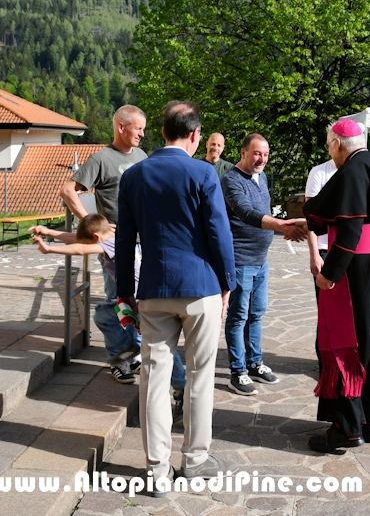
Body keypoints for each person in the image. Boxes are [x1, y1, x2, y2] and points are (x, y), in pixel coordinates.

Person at [115, 101, 238, 495]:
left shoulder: (134, 175)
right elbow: (218, 232)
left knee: (153, 378)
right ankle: (195, 460)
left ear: (163, 131)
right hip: (201, 287)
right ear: (196, 134)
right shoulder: (203, 172)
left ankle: (156, 472)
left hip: (153, 289)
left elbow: (123, 239)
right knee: (201, 375)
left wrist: (124, 292)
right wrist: (228, 282)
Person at [302, 119, 370, 452]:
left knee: (349, 342)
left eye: (328, 146)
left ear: (337, 144)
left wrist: (330, 273)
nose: (330, 153)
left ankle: (346, 428)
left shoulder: (350, 171)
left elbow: (350, 229)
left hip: (356, 267)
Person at [29, 215, 188, 425]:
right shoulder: (113, 235)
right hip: (138, 298)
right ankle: (173, 381)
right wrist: (49, 232)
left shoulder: (111, 243)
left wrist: (49, 249)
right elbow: (79, 240)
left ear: (96, 237)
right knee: (134, 330)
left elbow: (81, 248)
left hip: (143, 301)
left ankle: (141, 356)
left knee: (108, 316)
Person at [59, 105, 147, 383]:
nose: (142, 134)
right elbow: (67, 190)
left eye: (143, 129)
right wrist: (91, 222)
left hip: (144, 243)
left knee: (137, 303)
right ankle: (118, 360)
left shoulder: (142, 156)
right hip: (116, 246)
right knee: (116, 302)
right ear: (121, 127)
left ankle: (133, 356)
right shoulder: (101, 159)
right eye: (138, 128)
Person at [220, 133, 307, 395]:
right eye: (257, 153)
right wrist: (282, 225)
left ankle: (254, 363)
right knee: (238, 317)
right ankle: (237, 372)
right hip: (240, 260)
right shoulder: (231, 179)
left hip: (261, 261)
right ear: (243, 153)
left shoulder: (262, 177)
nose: (262, 159)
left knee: (256, 314)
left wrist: (282, 226)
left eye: (266, 154)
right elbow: (246, 212)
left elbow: (263, 211)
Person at [305, 158, 338, 291]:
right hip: (325, 249)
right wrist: (315, 255)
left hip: (353, 250)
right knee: (326, 300)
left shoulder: (359, 171)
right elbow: (311, 218)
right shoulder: (319, 172)